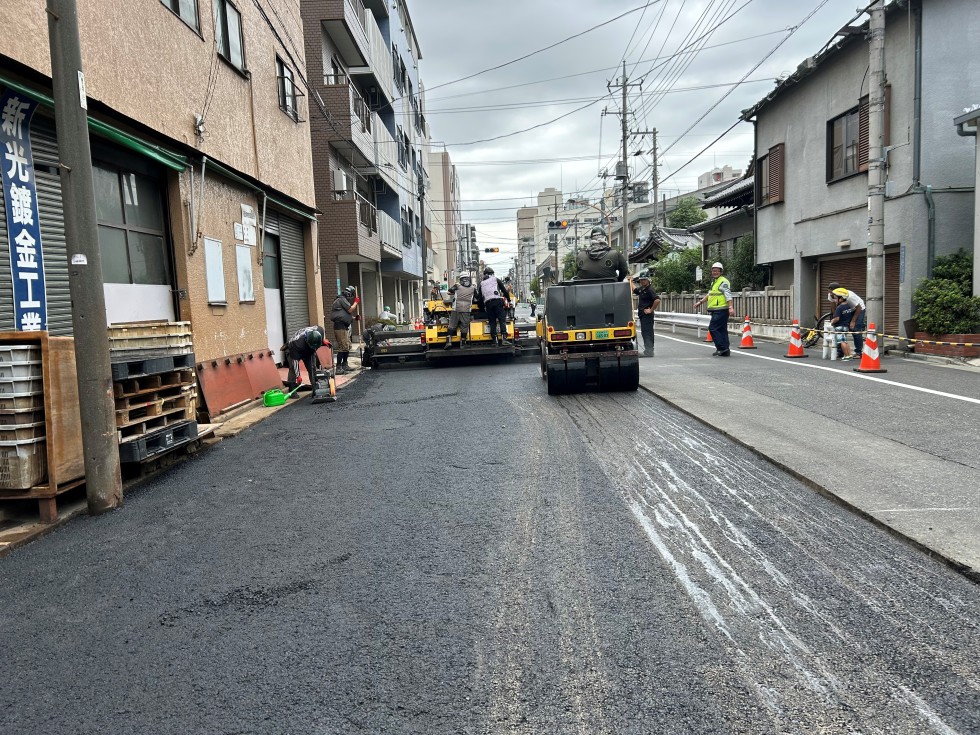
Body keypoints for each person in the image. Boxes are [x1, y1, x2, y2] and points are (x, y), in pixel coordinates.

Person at [694, 261, 735, 356]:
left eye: (717, 271)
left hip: (721, 309)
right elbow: (710, 294)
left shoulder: (723, 281)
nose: (714, 272)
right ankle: (725, 350)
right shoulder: (714, 282)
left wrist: (730, 307)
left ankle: (721, 348)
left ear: (721, 272)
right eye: (713, 271)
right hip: (717, 310)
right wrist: (700, 302)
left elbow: (728, 294)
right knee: (721, 329)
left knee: (713, 328)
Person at [284, 325, 325, 394]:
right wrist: (298, 376)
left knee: (312, 367)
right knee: (293, 369)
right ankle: (292, 388)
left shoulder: (320, 331)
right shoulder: (296, 345)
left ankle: (315, 387)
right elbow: (295, 363)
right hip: (292, 349)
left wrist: (322, 341)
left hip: (308, 349)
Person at [476, 266, 511, 345]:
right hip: (497, 301)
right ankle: (504, 339)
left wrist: (481, 307)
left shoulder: (481, 284)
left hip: (488, 304)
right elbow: (504, 291)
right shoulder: (496, 279)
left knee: (492, 322)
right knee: (502, 319)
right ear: (492, 274)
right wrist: (508, 299)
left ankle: (494, 340)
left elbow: (479, 298)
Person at [829, 285, 867, 356]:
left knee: (855, 329)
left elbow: (859, 308)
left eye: (834, 296)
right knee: (841, 328)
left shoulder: (849, 297)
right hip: (846, 308)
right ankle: (840, 351)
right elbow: (833, 305)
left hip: (858, 309)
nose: (831, 295)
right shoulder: (832, 295)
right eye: (830, 292)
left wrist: (853, 321)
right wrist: (836, 316)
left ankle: (858, 352)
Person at [330, 285, 359, 374]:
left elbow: (345, 315)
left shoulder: (342, 300)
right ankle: (339, 367)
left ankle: (345, 364)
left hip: (344, 326)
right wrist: (356, 302)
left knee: (347, 346)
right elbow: (350, 310)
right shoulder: (341, 299)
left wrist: (354, 318)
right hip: (340, 326)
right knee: (343, 346)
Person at [445, 274, 477, 350]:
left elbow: (449, 291)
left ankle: (448, 342)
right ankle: (462, 344)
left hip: (456, 309)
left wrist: (455, 292)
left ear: (461, 279)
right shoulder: (473, 288)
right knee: (464, 326)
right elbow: (477, 296)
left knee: (452, 325)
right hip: (466, 310)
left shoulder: (457, 286)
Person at [634, 273, 660, 358]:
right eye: (641, 280)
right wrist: (630, 281)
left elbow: (657, 300)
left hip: (647, 315)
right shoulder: (642, 289)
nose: (642, 281)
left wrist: (651, 309)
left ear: (648, 280)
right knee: (644, 332)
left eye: (644, 279)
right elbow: (635, 290)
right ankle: (648, 350)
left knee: (647, 332)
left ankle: (649, 351)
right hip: (642, 315)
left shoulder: (650, 289)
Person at [830, 293, 855, 360]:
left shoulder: (839, 307)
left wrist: (832, 322)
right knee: (845, 341)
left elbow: (837, 318)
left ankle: (846, 356)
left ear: (841, 299)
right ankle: (849, 355)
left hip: (839, 327)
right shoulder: (848, 306)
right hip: (846, 326)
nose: (835, 300)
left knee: (842, 342)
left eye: (836, 298)